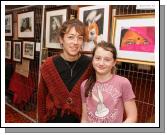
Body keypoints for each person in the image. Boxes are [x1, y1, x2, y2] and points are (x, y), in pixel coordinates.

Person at [38, 19, 92, 123]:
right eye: (70, 37)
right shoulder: (49, 65)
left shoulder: (90, 65)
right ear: (61, 39)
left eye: (80, 38)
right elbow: (41, 98)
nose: (75, 42)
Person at [81, 41, 137, 123]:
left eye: (107, 60)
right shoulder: (85, 85)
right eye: (98, 58)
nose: (101, 63)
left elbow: (132, 117)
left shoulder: (123, 83)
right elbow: (85, 119)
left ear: (114, 62)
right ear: (92, 60)